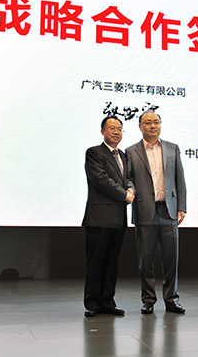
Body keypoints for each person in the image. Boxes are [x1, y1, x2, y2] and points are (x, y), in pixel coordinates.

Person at [126, 110, 187, 314]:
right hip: (144, 210)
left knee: (171, 259)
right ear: (140, 126)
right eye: (148, 123)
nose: (153, 126)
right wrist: (130, 191)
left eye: (156, 122)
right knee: (146, 261)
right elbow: (128, 179)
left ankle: (171, 299)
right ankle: (148, 300)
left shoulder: (172, 148)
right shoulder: (131, 151)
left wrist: (181, 206)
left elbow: (179, 178)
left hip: (169, 210)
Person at [82, 116, 135, 317]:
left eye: (119, 128)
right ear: (102, 131)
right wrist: (124, 195)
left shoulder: (124, 156)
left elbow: (128, 178)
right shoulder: (94, 153)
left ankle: (107, 302)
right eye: (112, 128)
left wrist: (131, 189)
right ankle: (92, 303)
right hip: (99, 217)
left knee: (112, 262)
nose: (116, 132)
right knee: (96, 263)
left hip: (118, 218)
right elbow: (101, 180)